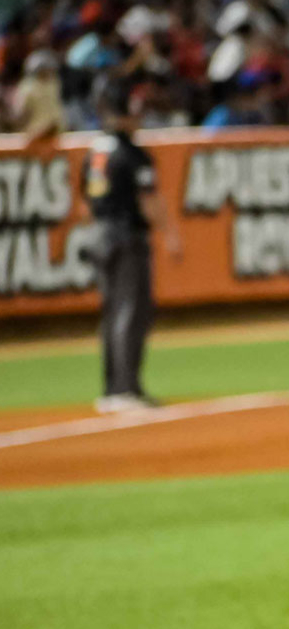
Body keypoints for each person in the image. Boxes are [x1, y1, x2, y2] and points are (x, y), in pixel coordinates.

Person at [81, 82, 182, 413]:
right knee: (131, 311)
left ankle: (112, 387)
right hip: (126, 235)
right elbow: (148, 199)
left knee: (112, 312)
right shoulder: (132, 153)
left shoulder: (95, 151)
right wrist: (170, 234)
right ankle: (125, 390)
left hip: (98, 233)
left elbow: (85, 200)